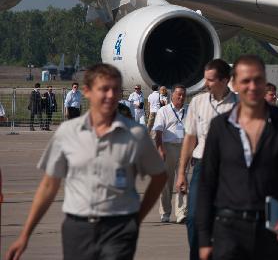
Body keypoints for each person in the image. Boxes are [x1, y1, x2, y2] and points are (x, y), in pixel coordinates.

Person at [5, 63, 167, 260]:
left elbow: (159, 176)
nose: (110, 95)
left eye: (115, 89)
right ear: (87, 92)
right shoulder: (68, 132)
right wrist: (25, 235)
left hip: (119, 229)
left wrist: (137, 218)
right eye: (103, 89)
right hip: (78, 228)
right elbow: (48, 185)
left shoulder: (136, 134)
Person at [196, 54, 278, 260]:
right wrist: (204, 239)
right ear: (235, 84)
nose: (252, 86)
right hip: (227, 229)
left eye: (258, 80)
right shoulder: (220, 126)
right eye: (245, 81)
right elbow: (206, 183)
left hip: (271, 229)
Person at [176, 58, 237, 260]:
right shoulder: (197, 102)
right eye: (205, 79)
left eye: (210, 80)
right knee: (193, 218)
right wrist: (181, 173)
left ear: (225, 80)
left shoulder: (240, 106)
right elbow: (190, 137)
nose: (206, 84)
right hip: (202, 167)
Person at [153, 84, 189, 224]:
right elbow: (158, 132)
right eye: (179, 94)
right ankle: (165, 212)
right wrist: (160, 149)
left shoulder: (189, 109)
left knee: (183, 180)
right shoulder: (164, 111)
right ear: (172, 95)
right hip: (168, 147)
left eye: (183, 95)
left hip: (184, 147)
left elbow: (194, 132)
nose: (181, 97)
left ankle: (181, 213)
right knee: (166, 183)